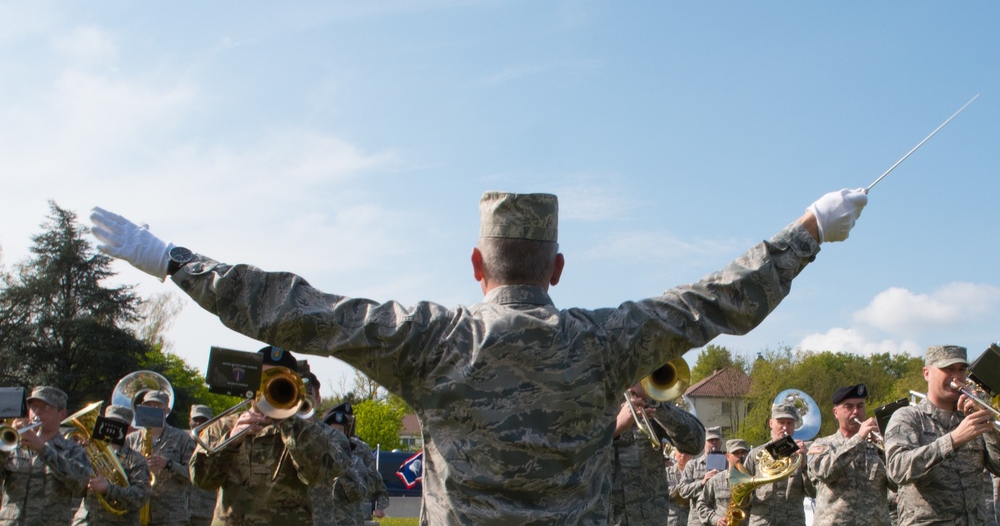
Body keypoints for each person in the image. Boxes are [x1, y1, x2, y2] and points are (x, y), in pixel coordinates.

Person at [90, 188, 866, 525]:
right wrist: (806, 230)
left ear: (475, 263)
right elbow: (718, 300)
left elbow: (299, 307)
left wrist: (171, 260)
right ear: (556, 268)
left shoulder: (431, 337)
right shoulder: (606, 340)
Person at [190, 347, 353, 526]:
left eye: (278, 379)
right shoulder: (222, 427)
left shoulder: (308, 432)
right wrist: (230, 441)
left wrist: (289, 422)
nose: (268, 386)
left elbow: (317, 475)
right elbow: (202, 480)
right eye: (262, 379)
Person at [884, 345, 1000, 526]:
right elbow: (897, 470)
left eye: (962, 370)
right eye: (948, 369)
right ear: (926, 373)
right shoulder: (907, 417)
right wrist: (953, 440)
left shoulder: (971, 417)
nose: (957, 377)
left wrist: (990, 424)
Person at [610, 381, 705, 526]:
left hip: (650, 518)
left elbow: (696, 443)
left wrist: (657, 404)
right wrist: (614, 429)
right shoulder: (593, 398)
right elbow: (572, 457)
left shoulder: (651, 402)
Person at [0, 386, 91, 526]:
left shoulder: (73, 449)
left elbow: (79, 483)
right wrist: (3, 448)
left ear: (62, 414)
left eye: (46, 407)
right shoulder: (13, 445)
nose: (37, 412)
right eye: (33, 406)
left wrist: (42, 449)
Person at [807, 383, 891, 526]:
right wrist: (859, 438)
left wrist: (884, 450)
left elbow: (897, 484)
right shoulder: (822, 445)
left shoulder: (877, 445)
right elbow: (826, 472)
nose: (855, 411)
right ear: (835, 412)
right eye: (849, 407)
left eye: (860, 406)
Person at [72, 404, 152, 526]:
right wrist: (77, 455)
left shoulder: (136, 460)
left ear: (129, 429)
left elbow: (141, 497)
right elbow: (73, 487)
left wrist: (108, 489)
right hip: (88, 521)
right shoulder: (88, 453)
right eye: (108, 422)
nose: (111, 428)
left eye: (118, 423)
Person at [124, 390, 195, 526]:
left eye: (157, 406)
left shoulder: (183, 438)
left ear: (167, 410)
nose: (152, 409)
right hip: (136, 513)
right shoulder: (130, 439)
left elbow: (193, 475)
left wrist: (168, 464)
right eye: (148, 405)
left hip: (170, 515)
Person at [742, 402, 814, 526]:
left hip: (792, 522)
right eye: (781, 422)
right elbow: (742, 493)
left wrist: (804, 465)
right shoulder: (756, 455)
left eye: (789, 423)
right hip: (763, 522)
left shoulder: (804, 453)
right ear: (771, 423)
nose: (785, 427)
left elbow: (813, 492)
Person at [677, 427, 726, 526]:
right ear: (704, 442)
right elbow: (682, 491)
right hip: (698, 520)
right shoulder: (693, 465)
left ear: (721, 443)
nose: (714, 443)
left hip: (721, 519)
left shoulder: (727, 464)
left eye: (716, 440)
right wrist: (702, 482)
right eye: (710, 440)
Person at [696, 439, 750, 526]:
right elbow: (701, 504)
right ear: (727, 456)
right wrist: (715, 519)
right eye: (736, 453)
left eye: (743, 453)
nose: (740, 456)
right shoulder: (716, 480)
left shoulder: (752, 480)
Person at [187, 405, 218, 526]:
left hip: (204, 510)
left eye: (203, 420)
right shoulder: (179, 439)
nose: (198, 423)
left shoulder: (217, 442)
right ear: (189, 420)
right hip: (178, 509)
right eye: (195, 419)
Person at [666, 449, 694, 526]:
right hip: (672, 519)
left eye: (686, 452)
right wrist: (683, 487)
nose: (683, 455)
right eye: (680, 452)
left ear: (691, 456)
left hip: (690, 519)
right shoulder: (667, 472)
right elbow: (663, 493)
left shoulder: (695, 473)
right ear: (675, 454)